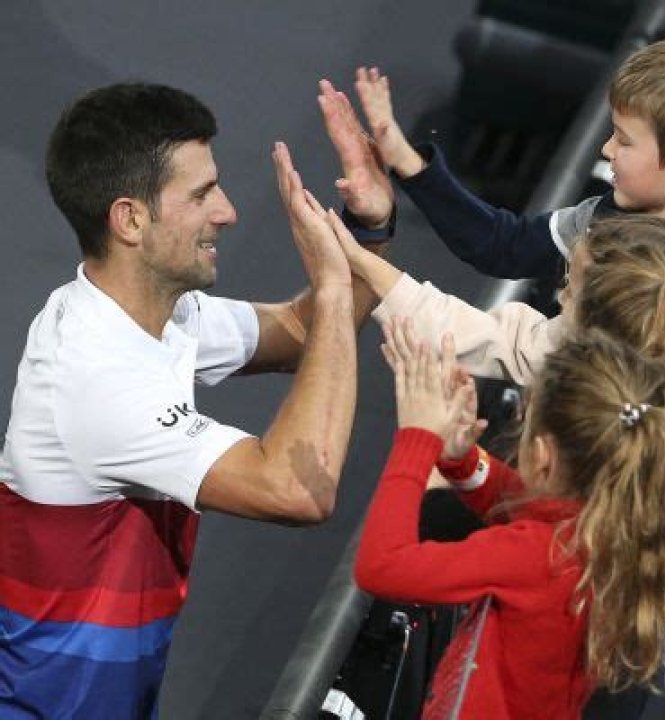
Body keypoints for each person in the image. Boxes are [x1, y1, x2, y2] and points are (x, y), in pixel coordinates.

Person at [0, 82, 380, 720]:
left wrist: (368, 230)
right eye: (201, 195)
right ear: (130, 219)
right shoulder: (96, 380)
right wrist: (336, 288)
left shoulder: (156, 312)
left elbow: (302, 332)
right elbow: (297, 489)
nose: (227, 212)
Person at [355, 320, 665, 719]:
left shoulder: (536, 555)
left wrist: (417, 438)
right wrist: (461, 460)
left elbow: (382, 565)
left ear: (543, 456)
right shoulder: (614, 532)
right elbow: (527, 504)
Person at [318, 34, 665, 277]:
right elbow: (505, 246)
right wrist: (407, 161)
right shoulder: (608, 215)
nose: (606, 149)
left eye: (624, 141)